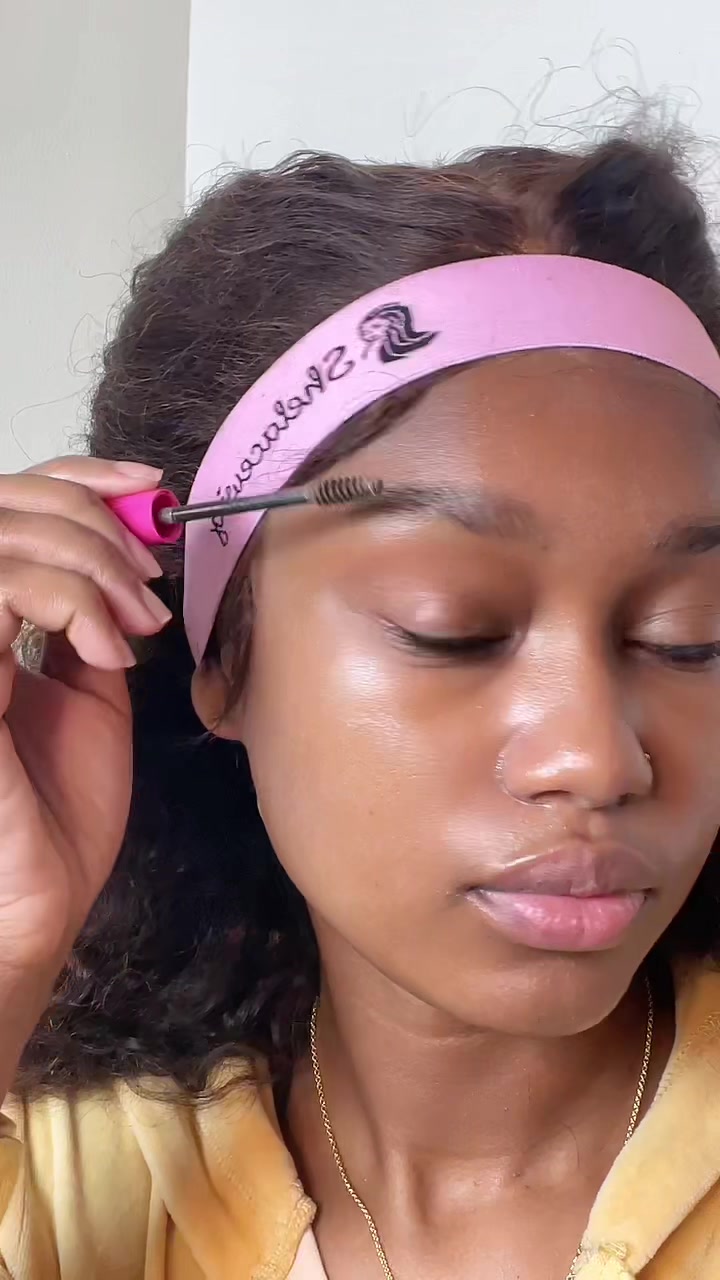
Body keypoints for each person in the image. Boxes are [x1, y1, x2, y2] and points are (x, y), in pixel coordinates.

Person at [2, 131, 720, 1280]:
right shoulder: (65, 1184)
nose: (595, 756)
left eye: (690, 636)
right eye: (452, 627)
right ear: (224, 656)